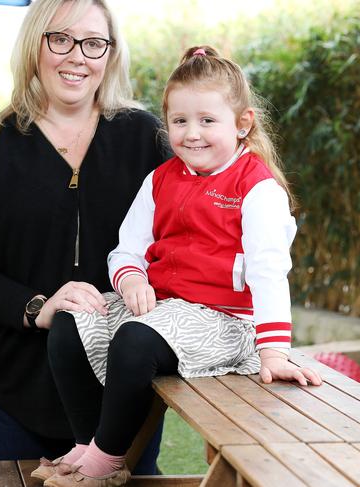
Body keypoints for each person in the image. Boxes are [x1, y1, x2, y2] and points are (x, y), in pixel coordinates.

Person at [38, 46, 324, 487]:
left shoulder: (257, 187)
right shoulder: (161, 178)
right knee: (71, 320)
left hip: (228, 321)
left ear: (242, 123)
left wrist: (273, 351)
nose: (192, 134)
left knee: (135, 339)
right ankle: (85, 445)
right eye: (179, 121)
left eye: (208, 121)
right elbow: (126, 250)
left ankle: (107, 461)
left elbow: (269, 272)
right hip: (167, 310)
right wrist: (130, 278)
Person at [0, 0, 169, 475]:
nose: (76, 56)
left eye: (93, 43)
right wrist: (37, 307)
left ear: (110, 54)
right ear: (35, 46)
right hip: (12, 383)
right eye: (59, 39)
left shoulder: (146, 138)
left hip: (122, 390)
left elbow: (183, 239)